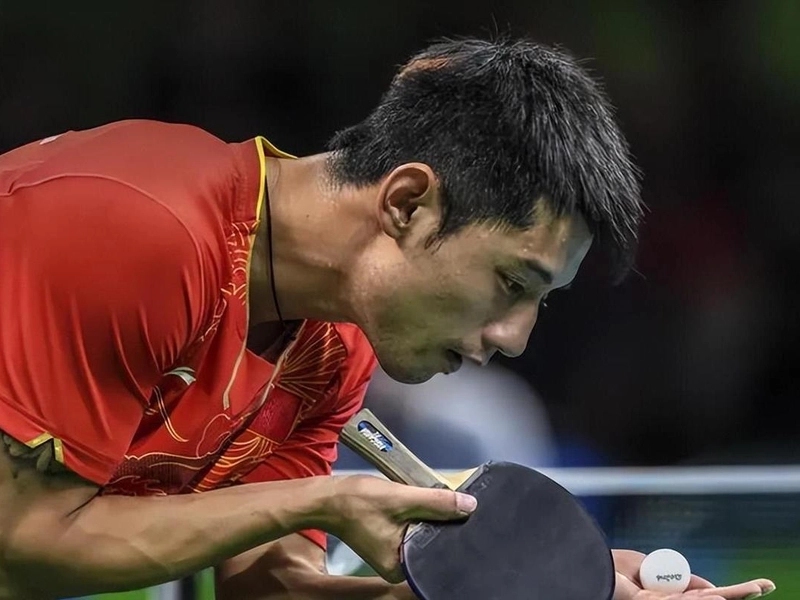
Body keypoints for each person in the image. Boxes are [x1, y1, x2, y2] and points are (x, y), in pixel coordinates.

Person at [0, 38, 773, 600]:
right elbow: (21, 543)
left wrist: (516, 590)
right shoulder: (141, 230)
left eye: (541, 301)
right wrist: (325, 500)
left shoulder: (331, 348)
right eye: (511, 282)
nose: (513, 337)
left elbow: (270, 588)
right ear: (407, 203)